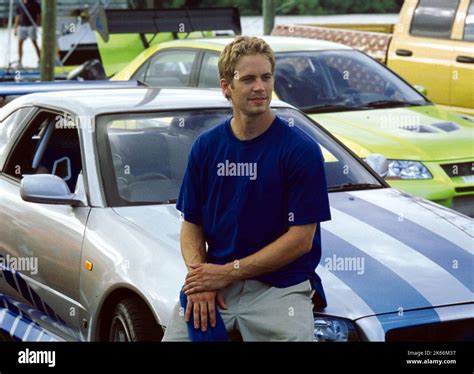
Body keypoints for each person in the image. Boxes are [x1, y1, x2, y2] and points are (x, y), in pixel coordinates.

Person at [163, 36, 331, 342]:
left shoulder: (299, 150)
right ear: (226, 86)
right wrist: (200, 278)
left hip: (280, 288)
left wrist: (227, 272)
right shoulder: (206, 146)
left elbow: (300, 241)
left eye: (266, 77)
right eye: (249, 79)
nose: (260, 88)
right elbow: (191, 224)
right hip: (218, 285)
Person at [13, 0, 41, 68]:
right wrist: (15, 27)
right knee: (20, 43)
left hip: (31, 25)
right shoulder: (20, 3)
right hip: (22, 26)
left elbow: (39, 15)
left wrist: (37, 25)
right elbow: (18, 16)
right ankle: (20, 62)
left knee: (34, 43)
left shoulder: (34, 3)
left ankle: (40, 61)